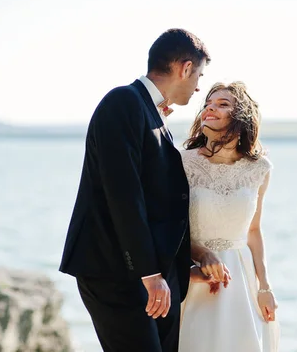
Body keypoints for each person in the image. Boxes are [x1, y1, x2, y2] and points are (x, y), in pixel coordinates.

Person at [59, 28, 210, 352]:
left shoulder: (152, 111)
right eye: (198, 74)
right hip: (116, 272)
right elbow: (124, 194)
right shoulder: (123, 101)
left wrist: (177, 269)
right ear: (184, 68)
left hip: (151, 275)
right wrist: (150, 274)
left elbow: (157, 199)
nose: (199, 86)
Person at [179, 81, 280, 351]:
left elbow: (254, 231)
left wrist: (264, 287)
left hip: (240, 276)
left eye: (222, 104)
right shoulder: (182, 162)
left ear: (241, 117)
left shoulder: (260, 169)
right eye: (208, 104)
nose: (211, 108)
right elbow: (169, 227)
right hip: (193, 274)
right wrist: (198, 255)